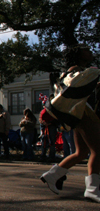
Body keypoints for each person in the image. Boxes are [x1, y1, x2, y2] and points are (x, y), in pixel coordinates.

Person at [41, 45, 100, 202]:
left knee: (81, 153)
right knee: (98, 151)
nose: (90, 51)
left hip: (78, 115)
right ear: (79, 54)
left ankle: (52, 176)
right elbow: (72, 88)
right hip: (83, 114)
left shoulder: (81, 70)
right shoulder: (76, 69)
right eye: (86, 50)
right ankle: (93, 189)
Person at [39, 97, 58, 162]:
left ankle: (51, 156)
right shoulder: (43, 111)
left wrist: (50, 123)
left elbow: (56, 119)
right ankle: (43, 156)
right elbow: (40, 119)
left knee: (51, 143)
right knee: (44, 143)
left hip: (51, 128)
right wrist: (43, 123)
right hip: (44, 128)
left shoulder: (52, 111)